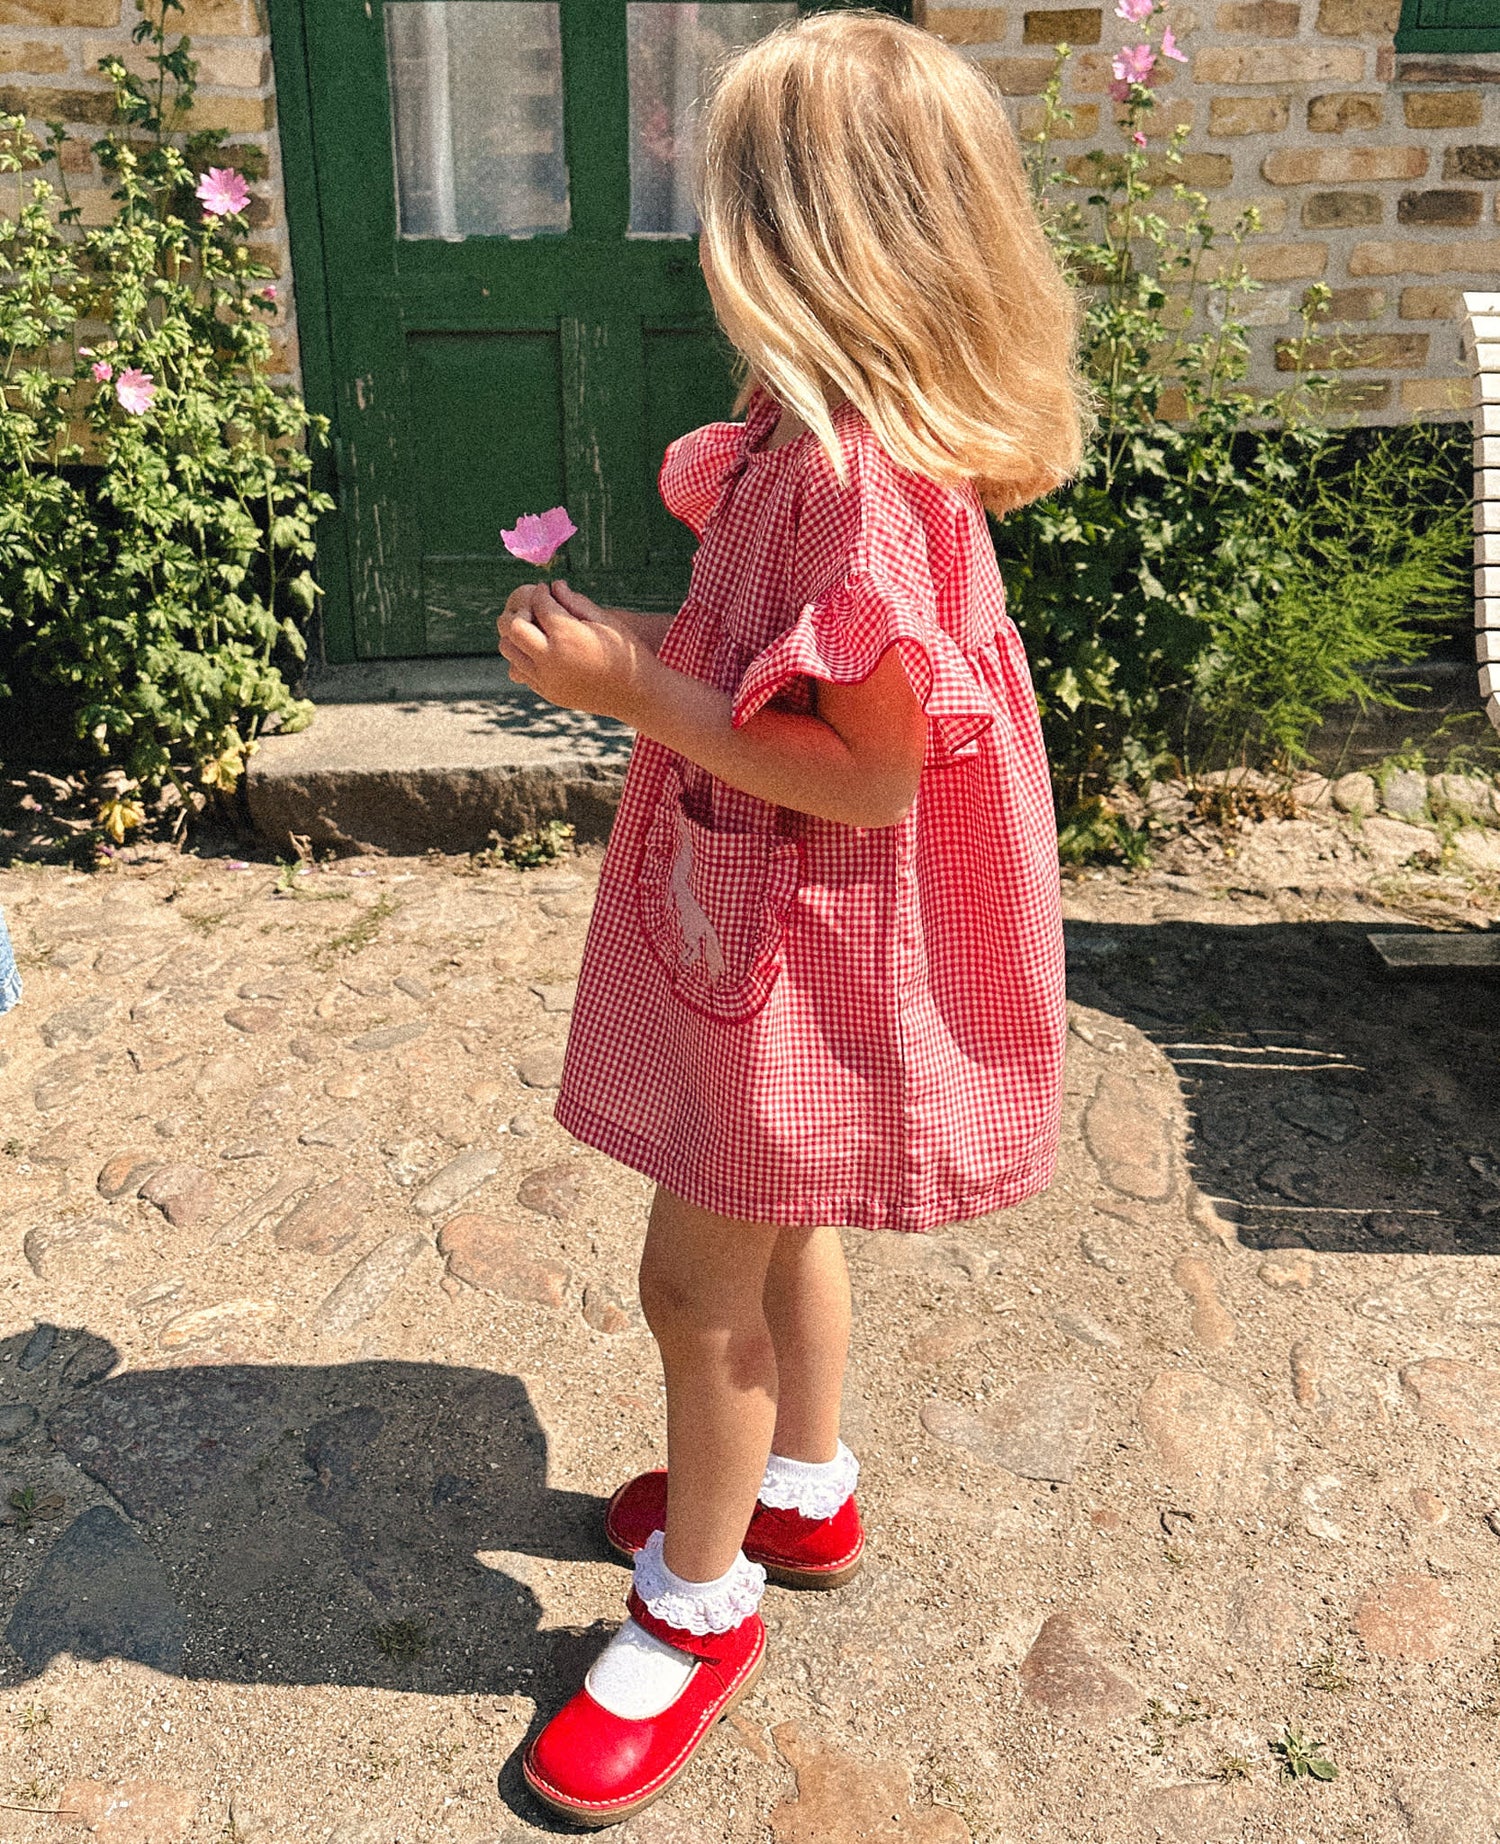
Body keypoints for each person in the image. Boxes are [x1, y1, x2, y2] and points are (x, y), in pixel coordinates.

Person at [496, 11, 1084, 1825]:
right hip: (782, 928)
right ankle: (802, 1488)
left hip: (797, 936)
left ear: (804, 238)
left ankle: (698, 1605)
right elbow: (791, 694)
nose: (698, 228)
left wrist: (629, 695)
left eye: (723, 195)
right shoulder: (824, 437)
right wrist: (670, 664)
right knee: (782, 1218)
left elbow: (868, 777)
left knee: (696, 1282)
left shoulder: (856, 487)